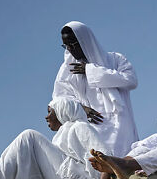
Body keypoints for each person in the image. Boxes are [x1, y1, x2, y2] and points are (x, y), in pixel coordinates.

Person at [0, 98, 104, 179]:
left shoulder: (80, 126)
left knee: (29, 136)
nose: (46, 117)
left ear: (63, 112)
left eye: (50, 112)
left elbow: (103, 153)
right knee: (29, 153)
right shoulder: (61, 136)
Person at [54, 21, 138, 156]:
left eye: (73, 44)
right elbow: (59, 98)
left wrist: (90, 71)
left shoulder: (115, 59)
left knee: (121, 162)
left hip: (119, 123)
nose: (70, 49)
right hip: (89, 125)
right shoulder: (67, 69)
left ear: (84, 41)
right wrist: (81, 108)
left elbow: (130, 80)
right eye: (66, 45)